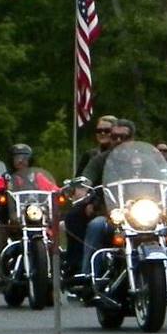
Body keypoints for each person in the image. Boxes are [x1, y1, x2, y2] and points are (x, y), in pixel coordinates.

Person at [0, 144, 61, 308]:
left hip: (36, 221)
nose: (21, 161)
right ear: (11, 160)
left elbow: (52, 188)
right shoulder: (6, 178)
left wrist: (60, 192)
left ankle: (53, 288)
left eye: (25, 157)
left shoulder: (36, 177)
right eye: (17, 157)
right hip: (9, 223)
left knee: (54, 247)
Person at [65, 115, 116, 276]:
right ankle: (78, 266)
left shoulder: (131, 157)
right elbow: (81, 180)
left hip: (124, 204)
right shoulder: (92, 156)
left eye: (107, 130)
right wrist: (84, 196)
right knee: (74, 216)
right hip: (95, 200)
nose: (103, 133)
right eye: (99, 130)